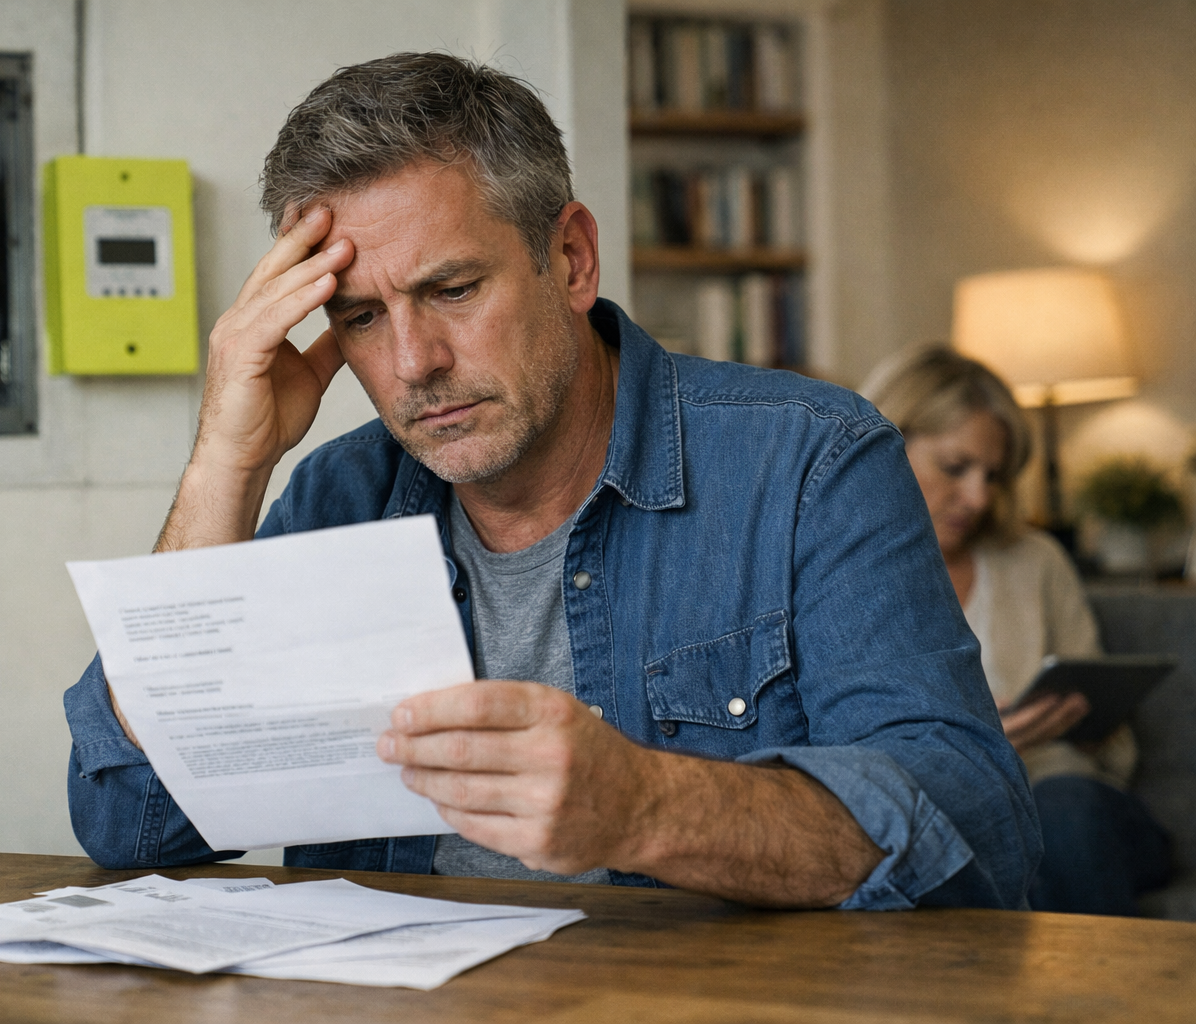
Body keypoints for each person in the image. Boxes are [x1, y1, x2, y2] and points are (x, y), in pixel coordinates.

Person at [65, 52, 1037, 910]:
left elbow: (977, 840)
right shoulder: (336, 498)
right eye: (359, 317)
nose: (412, 363)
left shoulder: (811, 461)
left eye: (452, 290)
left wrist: (647, 809)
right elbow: (128, 818)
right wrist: (227, 463)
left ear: (570, 258)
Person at [862, 345, 1173, 915]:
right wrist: (981, 749)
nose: (978, 498)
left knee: (1064, 814)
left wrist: (1086, 726)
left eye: (992, 475)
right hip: (947, 822)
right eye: (956, 468)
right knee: (976, 846)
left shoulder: (1036, 562)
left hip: (1076, 807)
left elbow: (1117, 747)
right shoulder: (842, 573)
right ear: (889, 443)